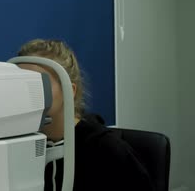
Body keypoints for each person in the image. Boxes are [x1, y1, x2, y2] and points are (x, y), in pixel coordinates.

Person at [16, 39, 154, 191]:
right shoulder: (22, 146)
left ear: (70, 91)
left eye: (38, 84)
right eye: (21, 84)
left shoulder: (106, 149)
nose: (27, 94)